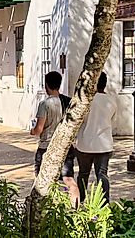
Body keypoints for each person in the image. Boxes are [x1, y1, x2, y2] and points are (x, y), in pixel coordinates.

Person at [31, 71, 79, 205]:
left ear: (46, 85)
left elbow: (39, 129)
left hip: (46, 146)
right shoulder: (68, 102)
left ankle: (47, 207)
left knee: (43, 179)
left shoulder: (45, 104)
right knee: (69, 179)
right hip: (65, 146)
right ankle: (75, 207)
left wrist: (33, 131)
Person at [75, 72, 116, 203]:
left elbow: (77, 121)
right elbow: (112, 120)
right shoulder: (111, 100)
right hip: (104, 144)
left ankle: (81, 201)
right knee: (102, 175)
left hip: (84, 143)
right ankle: (104, 203)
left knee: (83, 174)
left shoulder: (85, 100)